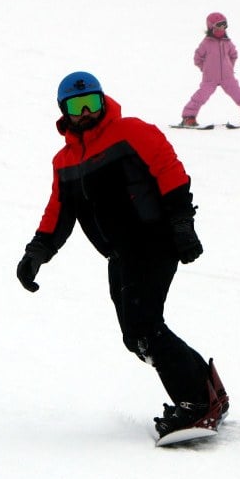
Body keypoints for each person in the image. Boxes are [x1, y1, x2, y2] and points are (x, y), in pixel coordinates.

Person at [16, 71, 228, 437]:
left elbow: (170, 171)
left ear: (103, 101)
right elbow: (58, 212)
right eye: (76, 106)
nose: (85, 113)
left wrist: (182, 224)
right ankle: (209, 392)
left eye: (91, 103)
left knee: (145, 327)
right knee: (136, 337)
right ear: (63, 112)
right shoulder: (64, 162)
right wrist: (36, 253)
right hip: (120, 254)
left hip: (156, 240)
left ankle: (195, 403)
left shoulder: (131, 131)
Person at [179, 12, 240, 128]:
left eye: (224, 25)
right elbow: (197, 58)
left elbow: (234, 55)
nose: (222, 28)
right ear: (211, 27)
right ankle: (188, 118)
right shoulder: (206, 43)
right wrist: (205, 69)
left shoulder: (227, 42)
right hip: (210, 78)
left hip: (227, 77)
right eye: (219, 25)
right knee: (200, 97)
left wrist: (229, 67)